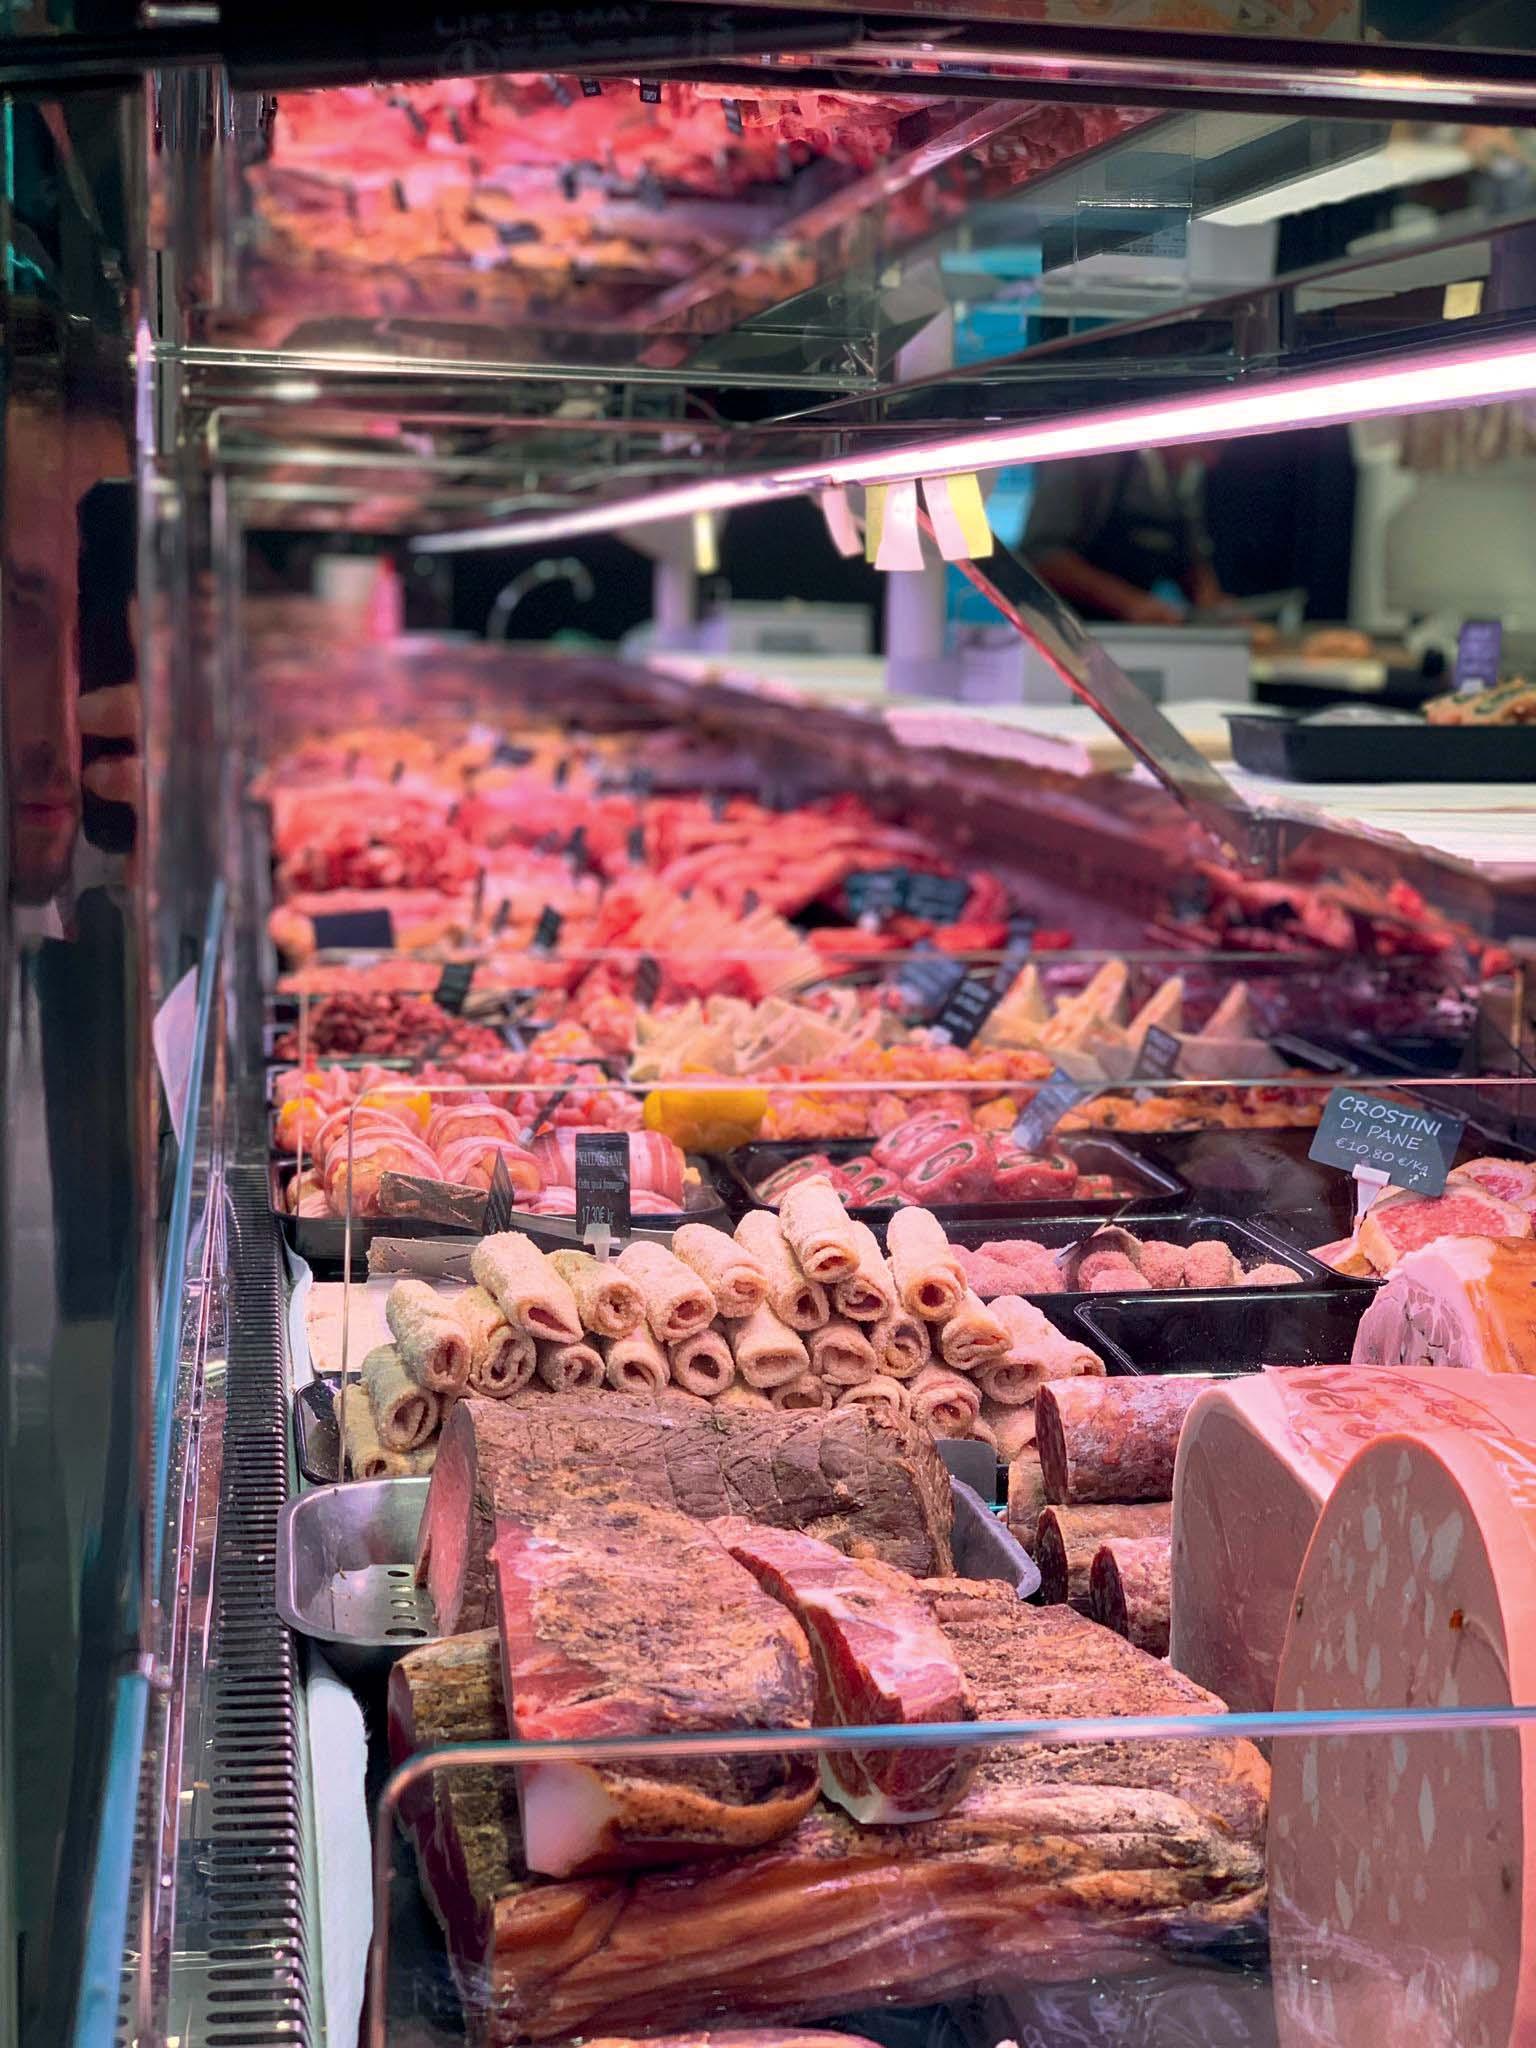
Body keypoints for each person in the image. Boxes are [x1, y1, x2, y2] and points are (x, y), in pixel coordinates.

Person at [1023, 443, 1233, 625]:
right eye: (1210, 446)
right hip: (1069, 634)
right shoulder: (1091, 453)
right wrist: (1129, 603)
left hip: (1135, 639)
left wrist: (1214, 608)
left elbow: (1189, 561)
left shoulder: (1189, 474)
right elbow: (1042, 555)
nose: (1211, 460)